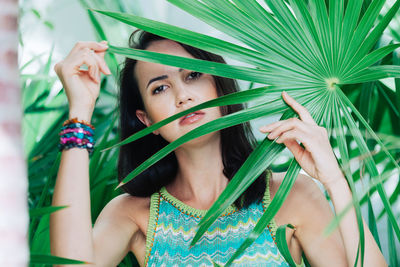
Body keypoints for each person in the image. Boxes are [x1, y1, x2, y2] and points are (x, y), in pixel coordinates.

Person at [50, 30, 387, 267]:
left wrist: (334, 181)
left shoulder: (291, 195)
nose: (183, 95)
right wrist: (79, 111)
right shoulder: (132, 212)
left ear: (221, 87)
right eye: (160, 88)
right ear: (145, 117)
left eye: (194, 75)